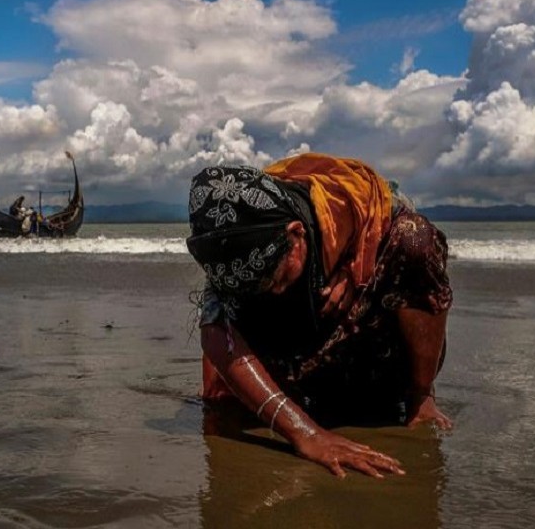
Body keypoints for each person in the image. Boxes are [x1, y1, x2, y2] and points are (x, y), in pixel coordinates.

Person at [186, 153, 453, 479]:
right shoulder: (234, 239)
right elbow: (216, 333)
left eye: (274, 280)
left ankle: (421, 396)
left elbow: (413, 258)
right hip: (295, 368)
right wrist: (306, 434)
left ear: (296, 236)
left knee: (415, 238)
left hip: (369, 358)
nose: (270, 292)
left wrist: (357, 267)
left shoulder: (360, 205)